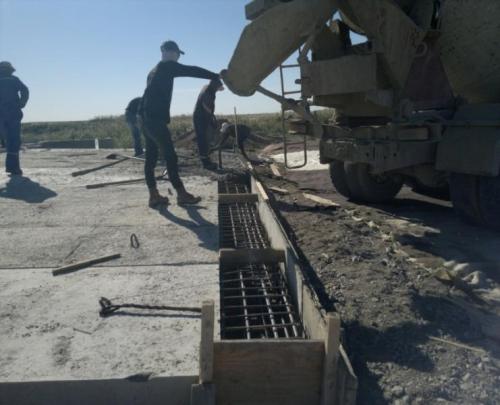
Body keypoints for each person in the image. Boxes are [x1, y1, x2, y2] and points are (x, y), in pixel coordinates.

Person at [139, 40, 219, 208]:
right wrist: (215, 75)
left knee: (151, 158)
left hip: (145, 119)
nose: (177, 57)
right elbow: (191, 70)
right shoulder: (167, 67)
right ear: (168, 52)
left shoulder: (153, 71)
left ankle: (154, 196)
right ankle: (181, 194)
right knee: (170, 156)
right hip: (155, 120)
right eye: (176, 54)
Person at [0, 61, 29, 176]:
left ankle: (12, 167)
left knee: (8, 140)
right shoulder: (14, 80)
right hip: (13, 114)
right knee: (13, 141)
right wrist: (21, 104)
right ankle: (13, 168)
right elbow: (25, 91)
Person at [193, 78, 224, 170]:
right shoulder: (208, 94)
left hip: (201, 117)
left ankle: (206, 159)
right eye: (218, 88)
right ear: (214, 87)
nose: (218, 90)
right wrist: (212, 121)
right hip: (201, 118)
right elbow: (207, 110)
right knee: (203, 140)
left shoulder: (207, 88)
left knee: (204, 139)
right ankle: (206, 163)